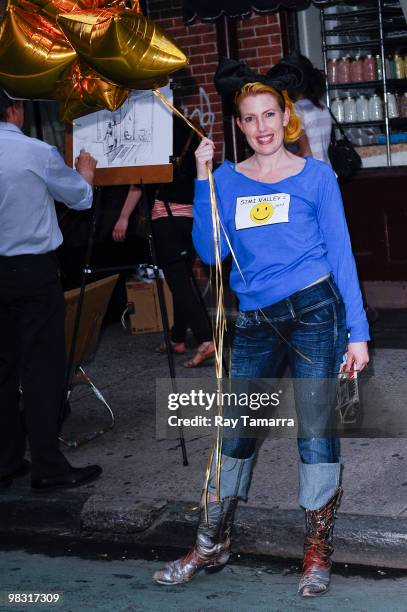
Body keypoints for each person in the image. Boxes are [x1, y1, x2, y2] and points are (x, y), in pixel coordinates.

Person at [153, 59, 369, 597]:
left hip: (318, 312)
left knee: (317, 432)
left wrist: (358, 333)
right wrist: (203, 181)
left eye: (270, 113)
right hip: (254, 321)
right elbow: (211, 251)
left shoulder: (317, 176)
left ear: (285, 116)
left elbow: (342, 257)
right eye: (250, 119)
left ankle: (317, 552)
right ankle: (211, 542)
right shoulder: (226, 178)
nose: (262, 126)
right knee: (234, 434)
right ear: (240, 126)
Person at [0, 90, 102, 491]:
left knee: (3, 369)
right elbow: (79, 198)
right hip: (32, 271)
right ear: (15, 109)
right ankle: (47, 465)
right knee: (41, 369)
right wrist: (86, 171)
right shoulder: (35, 152)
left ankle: (6, 460)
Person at [112, 121, 214, 367]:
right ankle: (178, 337)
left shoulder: (155, 136)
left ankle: (206, 338)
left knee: (178, 281)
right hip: (192, 218)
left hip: (165, 216)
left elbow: (139, 182)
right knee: (184, 277)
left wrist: (124, 216)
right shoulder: (195, 129)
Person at [284, 52, 333, 164]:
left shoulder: (297, 109)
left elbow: (306, 154)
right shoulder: (322, 106)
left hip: (312, 173)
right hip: (327, 170)